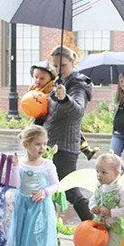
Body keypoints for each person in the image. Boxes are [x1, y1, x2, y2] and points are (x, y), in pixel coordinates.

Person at [43, 46, 94, 222]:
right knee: (47, 188)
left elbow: (77, 113)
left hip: (65, 147)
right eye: (55, 66)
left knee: (71, 191)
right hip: (50, 145)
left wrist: (65, 98)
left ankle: (94, 228)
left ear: (73, 62)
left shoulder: (78, 85)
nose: (59, 70)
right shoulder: (59, 83)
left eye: (63, 65)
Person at [9, 125, 60, 246]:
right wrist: (15, 167)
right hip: (23, 207)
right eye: (38, 144)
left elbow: (55, 185)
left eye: (44, 144)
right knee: (26, 240)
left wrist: (45, 192)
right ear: (26, 144)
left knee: (37, 240)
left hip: (40, 209)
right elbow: (15, 185)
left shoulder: (47, 165)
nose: (42, 148)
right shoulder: (20, 164)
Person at [30, 60, 99, 161]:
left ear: (50, 79)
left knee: (75, 131)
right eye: (36, 77)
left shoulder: (52, 88)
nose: (37, 80)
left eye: (42, 78)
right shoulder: (35, 88)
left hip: (52, 118)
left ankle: (86, 149)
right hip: (42, 116)